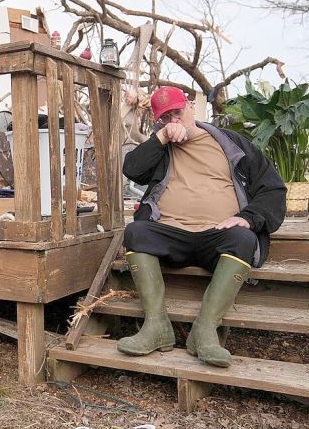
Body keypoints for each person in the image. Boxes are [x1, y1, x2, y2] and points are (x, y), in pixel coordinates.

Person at [117, 86, 286, 367]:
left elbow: (273, 189)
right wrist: (160, 138)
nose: (173, 121)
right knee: (136, 232)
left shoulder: (232, 145)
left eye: (177, 113)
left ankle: (205, 330)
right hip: (171, 234)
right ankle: (156, 326)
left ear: (191, 107)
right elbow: (132, 169)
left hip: (217, 235)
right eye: (165, 118)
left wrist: (248, 217)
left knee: (244, 239)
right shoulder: (161, 147)